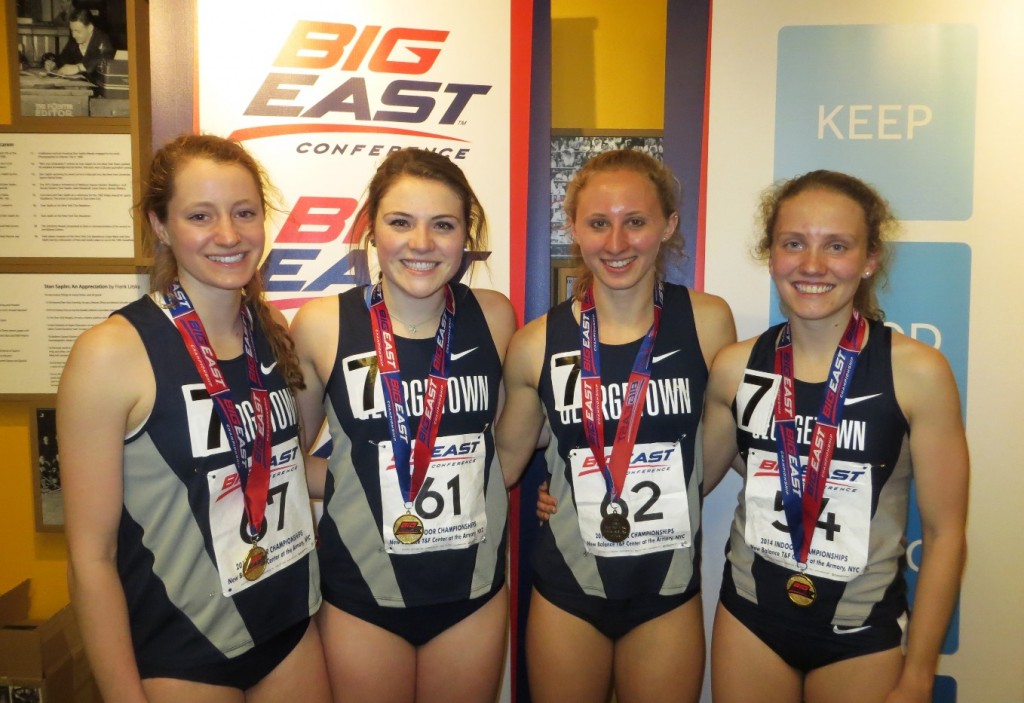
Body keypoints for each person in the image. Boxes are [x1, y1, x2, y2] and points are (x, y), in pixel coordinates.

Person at [58, 134, 330, 703]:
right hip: (185, 651)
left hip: (289, 630)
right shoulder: (111, 352)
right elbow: (90, 557)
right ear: (160, 225)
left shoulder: (268, 328)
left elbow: (280, 465)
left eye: (244, 213)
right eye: (200, 215)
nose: (228, 235)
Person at [701, 170, 969, 703]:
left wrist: (918, 675)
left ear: (869, 260)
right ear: (772, 254)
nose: (813, 265)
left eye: (837, 246)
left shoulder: (918, 372)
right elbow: (696, 477)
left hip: (860, 633)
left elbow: (944, 536)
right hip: (751, 620)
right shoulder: (736, 367)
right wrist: (570, 495)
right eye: (794, 243)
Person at [497, 149, 736, 703]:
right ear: (574, 228)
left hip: (666, 590)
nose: (617, 243)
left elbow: (726, 446)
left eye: (636, 222)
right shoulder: (536, 343)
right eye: (599, 223)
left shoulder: (707, 321)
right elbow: (506, 460)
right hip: (567, 590)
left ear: (668, 225)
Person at [290, 147, 516, 703]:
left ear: (467, 235)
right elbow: (283, 460)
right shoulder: (322, 324)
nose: (421, 244)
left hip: (471, 593)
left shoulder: (494, 315)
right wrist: (349, 478)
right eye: (400, 222)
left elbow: (510, 444)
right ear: (372, 230)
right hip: (361, 596)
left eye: (443, 225)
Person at [44, 8, 114, 80]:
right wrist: (54, 63)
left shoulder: (102, 38)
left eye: (78, 31)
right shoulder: (74, 41)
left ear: (90, 28)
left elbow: (107, 58)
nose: (74, 35)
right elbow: (63, 58)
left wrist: (79, 67)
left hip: (99, 88)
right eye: (72, 31)